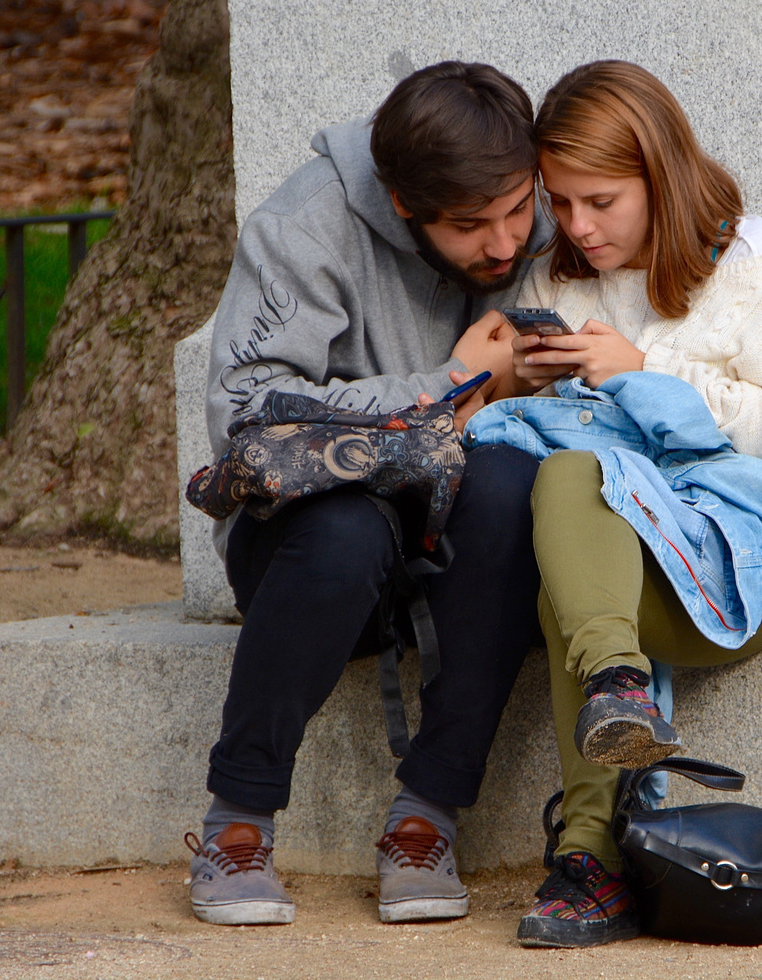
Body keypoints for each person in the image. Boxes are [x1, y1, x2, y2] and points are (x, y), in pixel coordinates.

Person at [189, 61, 551, 926]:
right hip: (309, 551)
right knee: (347, 529)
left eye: (516, 209)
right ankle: (236, 822)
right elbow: (244, 412)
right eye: (471, 227)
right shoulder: (304, 226)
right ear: (400, 202)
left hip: (463, 551)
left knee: (510, 485)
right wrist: (453, 384)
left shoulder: (544, 213)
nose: (505, 244)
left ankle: (425, 819)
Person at [505, 60, 762, 948]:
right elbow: (557, 449)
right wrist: (527, 384)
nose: (579, 228)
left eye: (602, 201)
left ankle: (589, 861)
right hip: (626, 557)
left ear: (659, 177)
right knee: (569, 486)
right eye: (561, 203)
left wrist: (645, 374)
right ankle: (621, 691)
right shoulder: (561, 280)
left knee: (572, 594)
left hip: (761, 556)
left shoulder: (761, 264)